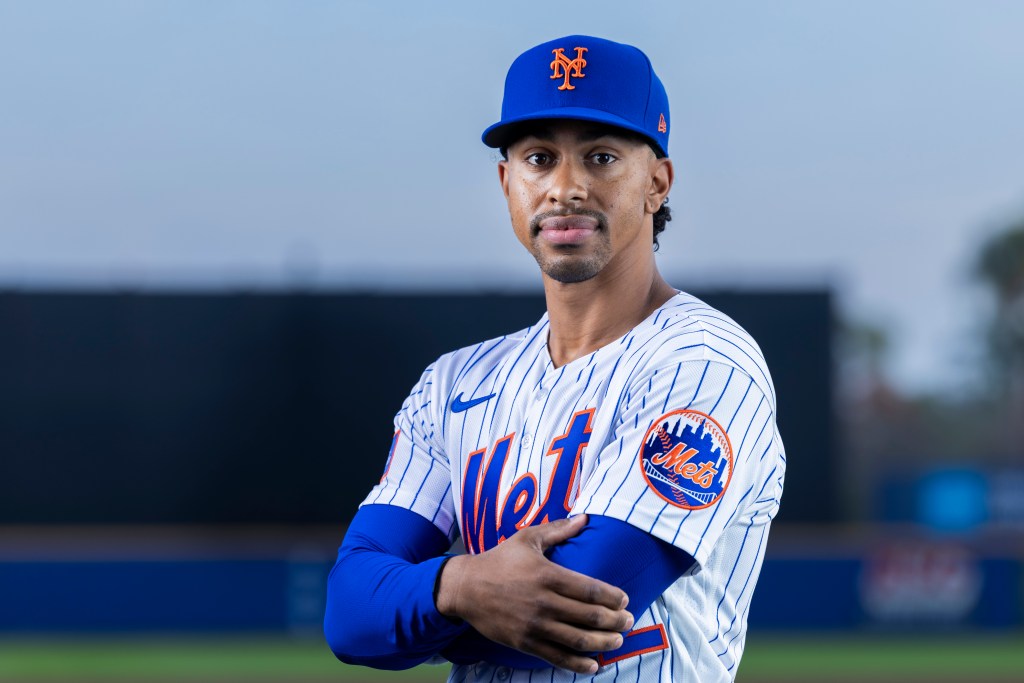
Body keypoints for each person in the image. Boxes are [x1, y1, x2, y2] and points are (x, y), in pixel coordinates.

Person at [324, 34, 785, 682]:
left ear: (658, 181)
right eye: (540, 158)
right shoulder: (454, 384)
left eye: (600, 157)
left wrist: (420, 599)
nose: (565, 187)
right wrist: (462, 584)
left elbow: (589, 598)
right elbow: (348, 613)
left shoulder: (702, 362)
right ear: (507, 181)